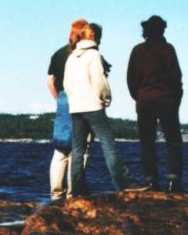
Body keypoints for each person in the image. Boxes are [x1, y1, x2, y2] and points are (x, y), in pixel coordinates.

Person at [63, 20, 140, 196]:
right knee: (108, 145)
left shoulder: (72, 57)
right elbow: (99, 82)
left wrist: (74, 99)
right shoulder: (94, 55)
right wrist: (106, 99)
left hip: (76, 107)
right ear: (97, 37)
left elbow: (66, 84)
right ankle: (124, 183)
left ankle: (77, 188)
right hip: (93, 106)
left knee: (77, 150)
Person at [127, 15, 184, 193]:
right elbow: (176, 78)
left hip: (145, 100)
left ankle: (151, 180)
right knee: (173, 141)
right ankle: (173, 181)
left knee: (147, 141)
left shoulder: (137, 50)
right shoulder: (168, 49)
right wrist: (176, 99)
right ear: (162, 30)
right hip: (167, 100)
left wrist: (139, 97)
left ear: (145, 31)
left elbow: (131, 79)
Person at [46, 20, 90, 201]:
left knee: (60, 149)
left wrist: (59, 100)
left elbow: (50, 81)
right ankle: (73, 193)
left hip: (63, 100)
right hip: (83, 101)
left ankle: (56, 194)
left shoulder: (58, 54)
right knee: (81, 148)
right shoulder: (86, 54)